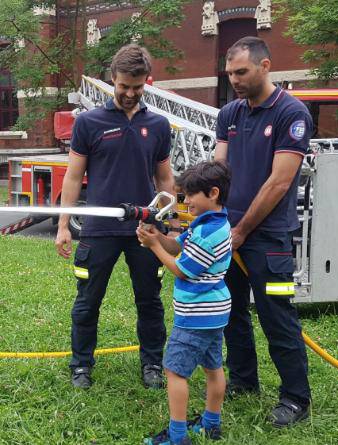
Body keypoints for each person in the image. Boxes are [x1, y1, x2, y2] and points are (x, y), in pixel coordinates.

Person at [55, 44, 180, 389]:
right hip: (98, 230)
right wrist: (64, 225)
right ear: (112, 80)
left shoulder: (157, 125)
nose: (129, 93)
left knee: (149, 300)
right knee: (87, 301)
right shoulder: (89, 122)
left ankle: (152, 363)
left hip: (144, 229)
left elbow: (165, 177)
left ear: (146, 83)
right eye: (123, 86)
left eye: (137, 87)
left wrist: (170, 218)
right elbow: (71, 175)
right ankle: (81, 365)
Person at [214, 36, 312, 427]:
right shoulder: (229, 114)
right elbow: (218, 172)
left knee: (277, 317)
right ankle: (243, 381)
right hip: (228, 234)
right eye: (230, 74)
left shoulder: (291, 113)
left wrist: (240, 230)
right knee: (231, 312)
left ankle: (295, 398)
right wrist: (204, 212)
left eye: (242, 72)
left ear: (265, 65)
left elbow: (278, 183)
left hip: (268, 240)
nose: (235, 80)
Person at [137, 161, 232, 445]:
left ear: (213, 193)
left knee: (175, 372)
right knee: (213, 368)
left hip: (196, 315)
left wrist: (154, 248)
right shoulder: (212, 222)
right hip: (214, 313)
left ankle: (177, 437)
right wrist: (159, 238)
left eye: (191, 195)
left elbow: (183, 269)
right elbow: (178, 247)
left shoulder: (207, 233)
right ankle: (210, 424)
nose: (186, 201)